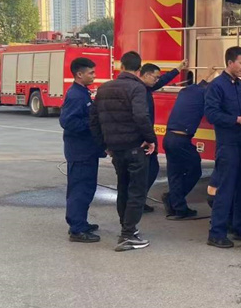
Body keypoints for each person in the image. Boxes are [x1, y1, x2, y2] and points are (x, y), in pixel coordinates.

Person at [90, 51, 156, 252]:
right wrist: (150, 139)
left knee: (123, 188)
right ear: (139, 69)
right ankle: (128, 234)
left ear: (121, 66)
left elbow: (94, 120)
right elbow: (141, 116)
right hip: (135, 147)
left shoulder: (104, 88)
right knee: (137, 191)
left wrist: (104, 145)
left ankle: (127, 228)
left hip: (115, 149)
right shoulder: (137, 88)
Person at [205, 46, 241, 248]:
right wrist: (236, 120)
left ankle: (240, 228)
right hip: (228, 145)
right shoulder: (216, 86)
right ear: (230, 62)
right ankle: (216, 233)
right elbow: (211, 115)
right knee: (225, 189)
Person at [60, 57, 106, 243]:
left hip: (87, 151)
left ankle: (81, 222)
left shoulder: (82, 92)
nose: (94, 76)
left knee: (86, 189)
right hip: (80, 152)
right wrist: (93, 123)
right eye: (91, 73)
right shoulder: (75, 95)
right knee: (80, 190)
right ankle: (77, 229)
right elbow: (68, 122)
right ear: (79, 74)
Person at [162, 70, 216, 219]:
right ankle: (174, 200)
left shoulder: (187, 90)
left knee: (175, 174)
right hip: (181, 140)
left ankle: (177, 206)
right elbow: (212, 117)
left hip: (169, 137)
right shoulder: (206, 95)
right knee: (195, 170)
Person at [138, 61, 185, 212]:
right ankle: (136, 203)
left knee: (150, 169)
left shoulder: (146, 88)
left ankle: (138, 201)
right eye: (155, 77)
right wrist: (147, 138)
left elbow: (162, 81)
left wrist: (178, 69)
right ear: (146, 75)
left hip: (145, 137)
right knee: (148, 169)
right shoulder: (138, 91)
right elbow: (140, 118)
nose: (157, 80)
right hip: (141, 139)